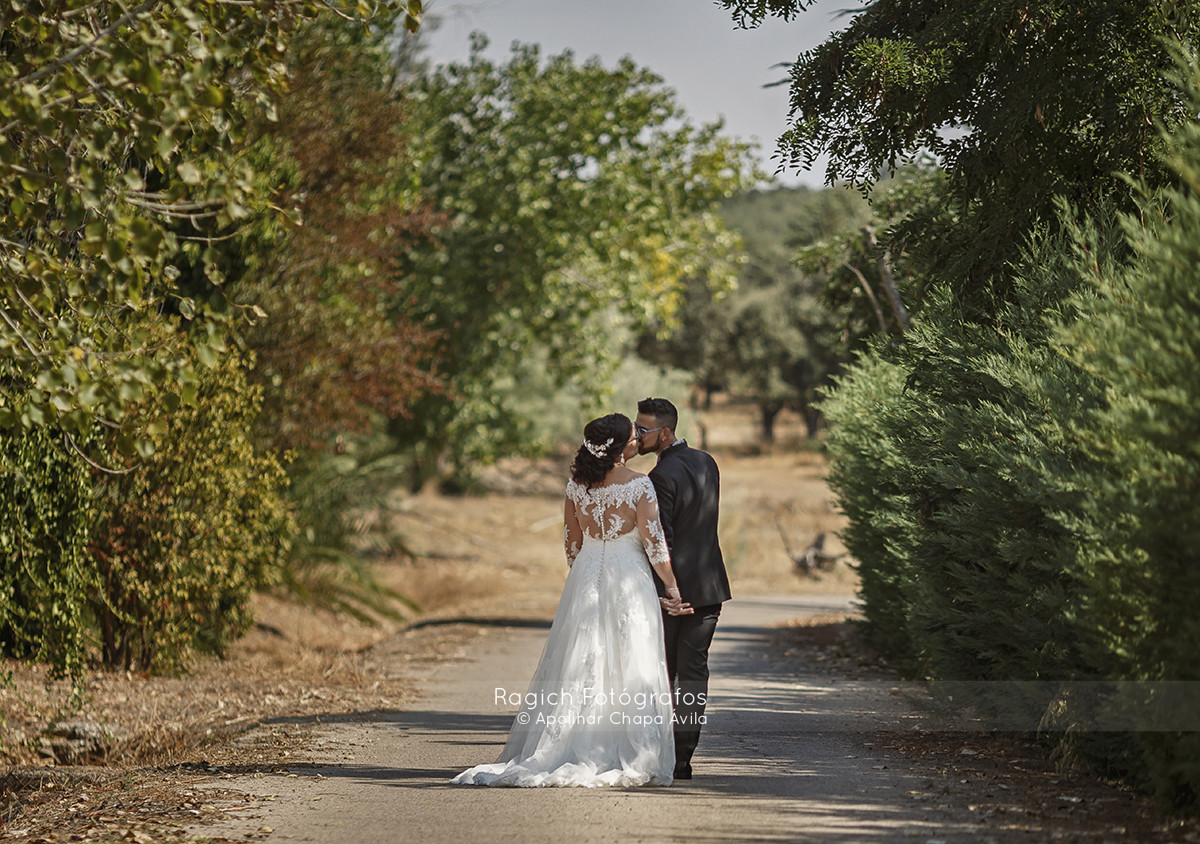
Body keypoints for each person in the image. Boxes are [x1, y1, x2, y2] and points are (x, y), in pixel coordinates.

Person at [451, 413, 689, 788]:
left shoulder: (576, 486)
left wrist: (587, 570)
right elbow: (654, 544)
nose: (635, 441)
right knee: (630, 654)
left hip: (587, 573)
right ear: (617, 447)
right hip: (629, 575)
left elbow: (572, 545)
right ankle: (627, 748)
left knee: (581, 654)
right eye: (631, 436)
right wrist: (672, 588)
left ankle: (568, 741)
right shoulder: (640, 485)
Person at [635, 397, 731, 781]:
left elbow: (665, 540)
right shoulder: (707, 462)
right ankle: (683, 757)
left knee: (665, 672)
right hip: (710, 587)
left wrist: (666, 591)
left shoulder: (659, 478)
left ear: (665, 432)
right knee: (693, 674)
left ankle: (664, 753)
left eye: (643, 430)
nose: (637, 436)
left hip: (676, 594)